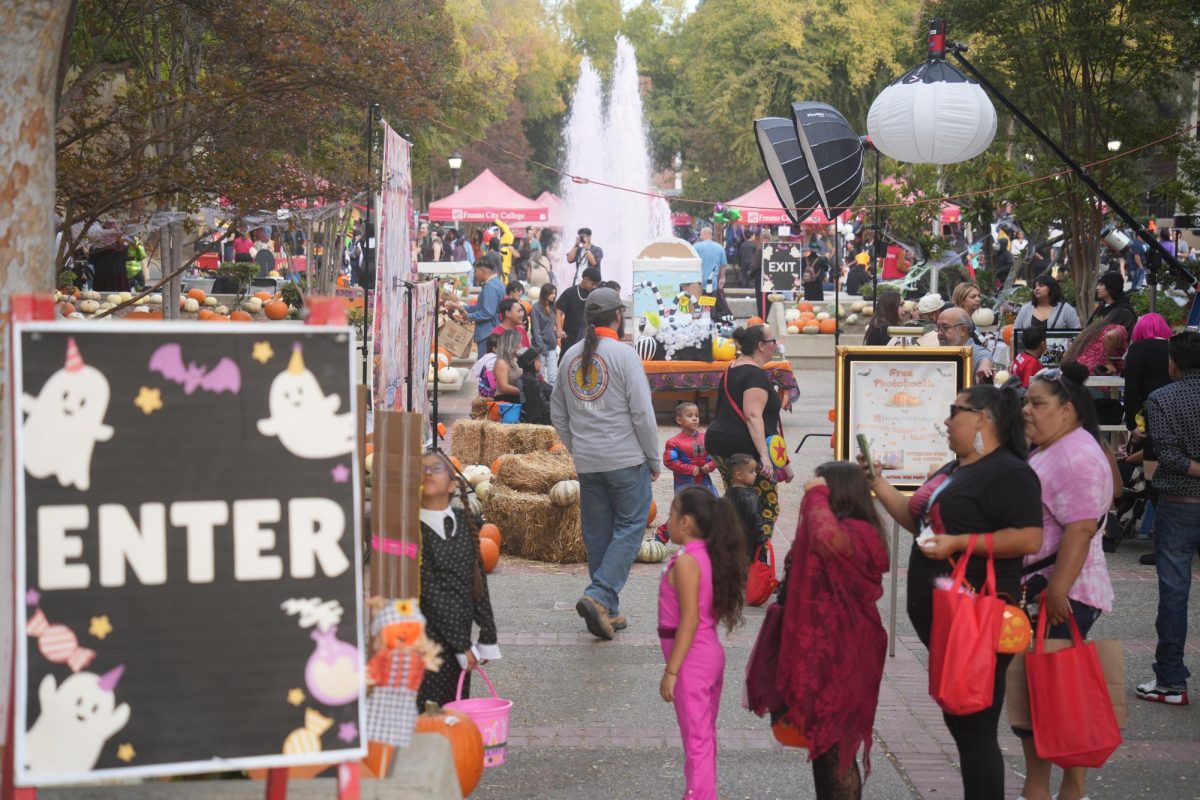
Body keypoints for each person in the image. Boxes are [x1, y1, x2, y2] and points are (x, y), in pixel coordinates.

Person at [866, 384, 1042, 800]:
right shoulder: (957, 468)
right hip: (949, 622)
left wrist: (959, 545)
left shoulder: (1010, 471)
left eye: (955, 411)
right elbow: (918, 522)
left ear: (983, 418)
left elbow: (1029, 538)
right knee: (962, 723)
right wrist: (876, 480)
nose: (947, 421)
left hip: (979, 617)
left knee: (975, 725)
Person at [1016, 361, 1115, 800]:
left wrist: (1056, 591)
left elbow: (1081, 528)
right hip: (1048, 594)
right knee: (1043, 698)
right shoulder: (1059, 446)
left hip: (1061, 597)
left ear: (1069, 409)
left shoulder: (1076, 456)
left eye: (1038, 403)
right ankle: (1044, 787)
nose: (1027, 411)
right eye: (1026, 402)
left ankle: (1067, 790)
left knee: (1056, 700)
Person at [774, 462, 890, 799]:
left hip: (847, 651)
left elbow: (828, 539)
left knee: (838, 751)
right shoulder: (857, 527)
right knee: (824, 747)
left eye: (823, 485)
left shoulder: (857, 531)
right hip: (829, 649)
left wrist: (815, 496)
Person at [550, 288, 660, 640]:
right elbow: (642, 413)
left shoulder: (569, 356)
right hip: (626, 459)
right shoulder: (625, 355)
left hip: (589, 462)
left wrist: (576, 445)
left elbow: (557, 412)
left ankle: (606, 610)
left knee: (598, 534)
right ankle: (598, 595)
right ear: (617, 317)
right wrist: (654, 457)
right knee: (630, 527)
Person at [658, 487, 746, 800]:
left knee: (696, 740)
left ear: (686, 523)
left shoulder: (686, 562)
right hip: (707, 654)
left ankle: (699, 795)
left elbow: (690, 621)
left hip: (692, 660)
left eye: (671, 514)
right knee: (703, 736)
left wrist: (672, 670)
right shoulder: (706, 556)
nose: (666, 521)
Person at [1138, 331, 1200, 705]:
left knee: (1175, 592)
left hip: (1179, 503)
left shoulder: (1161, 399)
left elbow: (1167, 454)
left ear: (1173, 363)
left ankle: (1172, 680)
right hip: (1180, 504)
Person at [417, 451, 500, 708]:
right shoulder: (412, 530)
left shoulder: (465, 525)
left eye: (436, 469)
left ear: (453, 485)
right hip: (425, 640)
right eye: (422, 469)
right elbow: (430, 590)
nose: (428, 472)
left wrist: (487, 633)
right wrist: (461, 645)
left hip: (458, 637)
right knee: (427, 713)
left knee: (455, 709)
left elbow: (477, 581)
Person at [705, 324, 793, 543]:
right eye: (773, 342)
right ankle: (755, 558)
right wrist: (765, 457)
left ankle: (731, 553)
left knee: (738, 504)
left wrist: (784, 462)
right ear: (761, 346)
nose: (776, 345)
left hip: (721, 444)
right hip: (745, 450)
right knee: (766, 508)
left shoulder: (733, 367)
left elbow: (767, 426)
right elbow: (753, 417)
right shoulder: (755, 375)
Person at [1124, 313, 1173, 431]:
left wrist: (1131, 423)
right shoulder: (1174, 347)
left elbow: (1131, 387)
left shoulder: (1137, 348)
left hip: (1150, 409)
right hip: (1176, 407)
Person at [663, 402, 718, 496]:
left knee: (709, 506)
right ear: (679, 420)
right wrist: (689, 469)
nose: (694, 418)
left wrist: (710, 466)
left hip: (705, 482)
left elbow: (714, 456)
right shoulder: (674, 442)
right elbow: (670, 461)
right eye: (690, 416)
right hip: (684, 484)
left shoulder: (705, 438)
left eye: (697, 415)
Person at [457, 257, 506, 358]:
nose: (474, 274)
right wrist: (463, 307)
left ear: (483, 270)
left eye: (475, 271)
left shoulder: (490, 286)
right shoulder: (497, 283)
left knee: (485, 365)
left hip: (487, 333)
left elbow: (488, 312)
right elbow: (481, 306)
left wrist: (469, 316)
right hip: (492, 331)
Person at [936, 307, 996, 381]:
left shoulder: (974, 352)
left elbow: (984, 358)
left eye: (945, 327)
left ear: (962, 330)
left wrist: (985, 367)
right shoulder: (939, 350)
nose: (939, 333)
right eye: (938, 327)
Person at [555, 266, 600, 363]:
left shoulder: (594, 295)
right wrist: (559, 328)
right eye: (592, 284)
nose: (594, 287)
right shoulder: (570, 292)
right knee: (566, 361)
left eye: (595, 285)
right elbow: (559, 310)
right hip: (570, 337)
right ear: (585, 279)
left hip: (588, 337)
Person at [723, 453, 763, 557]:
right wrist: (762, 538)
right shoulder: (750, 496)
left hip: (729, 545)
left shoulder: (727, 494)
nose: (755, 474)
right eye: (751, 471)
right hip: (747, 544)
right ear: (739, 475)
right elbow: (755, 518)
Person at [1013, 274, 1082, 333]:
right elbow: (1015, 335)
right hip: (1029, 348)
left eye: (1041, 285)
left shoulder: (1066, 309)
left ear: (1051, 287)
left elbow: (1077, 334)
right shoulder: (1025, 309)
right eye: (1035, 286)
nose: (1037, 288)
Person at [1062, 319, 1128, 376]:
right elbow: (1110, 335)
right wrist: (1109, 363)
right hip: (1095, 373)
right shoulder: (1120, 328)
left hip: (1076, 370)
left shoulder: (1094, 329)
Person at [530, 284, 559, 385]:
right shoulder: (536, 308)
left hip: (551, 345)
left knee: (553, 375)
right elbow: (536, 330)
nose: (553, 295)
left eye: (555, 293)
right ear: (545, 294)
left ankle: (552, 398)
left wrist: (557, 335)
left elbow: (552, 327)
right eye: (551, 293)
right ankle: (541, 397)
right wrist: (542, 347)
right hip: (539, 346)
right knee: (540, 374)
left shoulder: (553, 307)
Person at [516, 347, 551, 425]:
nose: (540, 363)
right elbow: (541, 408)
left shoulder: (527, 378)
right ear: (531, 364)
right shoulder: (531, 382)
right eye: (538, 360)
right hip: (542, 420)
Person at [491, 329, 523, 403]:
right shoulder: (501, 362)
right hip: (505, 401)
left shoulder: (513, 360)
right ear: (511, 344)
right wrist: (523, 391)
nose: (521, 345)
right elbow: (503, 387)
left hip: (515, 398)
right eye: (519, 343)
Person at [694, 227, 727, 292]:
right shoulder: (720, 247)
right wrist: (722, 278)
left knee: (699, 302)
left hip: (698, 283)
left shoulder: (696, 246)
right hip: (712, 283)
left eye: (700, 235)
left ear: (705, 234)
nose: (700, 237)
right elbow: (723, 265)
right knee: (710, 301)